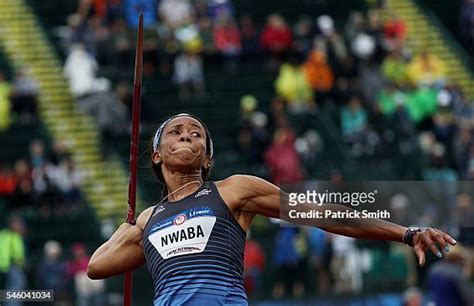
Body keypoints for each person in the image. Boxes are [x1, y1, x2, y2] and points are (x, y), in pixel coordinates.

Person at [88, 113, 457, 305]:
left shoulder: (234, 191)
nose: (187, 135)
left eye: (196, 133)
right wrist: (130, 225)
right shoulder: (150, 218)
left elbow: (323, 213)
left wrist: (405, 233)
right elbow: (97, 266)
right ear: (156, 155)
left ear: (208, 157)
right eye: (176, 131)